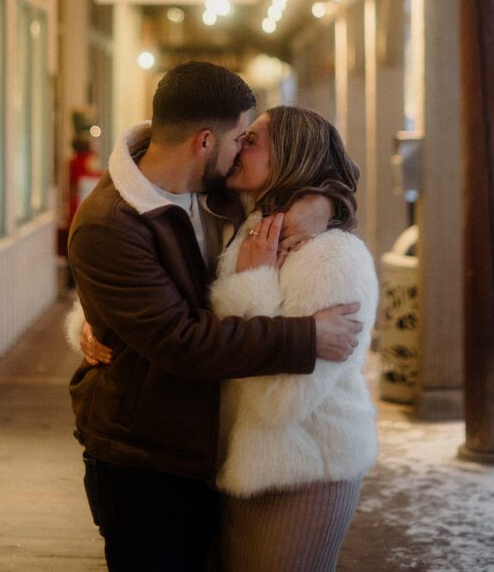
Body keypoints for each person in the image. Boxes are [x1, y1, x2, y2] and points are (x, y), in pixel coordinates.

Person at [67, 62, 364, 572]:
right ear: (205, 141)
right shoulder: (124, 221)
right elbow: (180, 337)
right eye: (239, 138)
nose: (241, 149)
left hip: (255, 457)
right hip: (149, 454)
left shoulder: (218, 202)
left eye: (253, 140)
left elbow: (320, 170)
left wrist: (324, 200)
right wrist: (94, 321)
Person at [211, 105, 378, 572]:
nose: (240, 143)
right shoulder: (249, 231)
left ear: (291, 156)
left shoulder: (331, 258)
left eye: (255, 139)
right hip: (244, 466)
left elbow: (283, 398)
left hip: (308, 471)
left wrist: (255, 284)